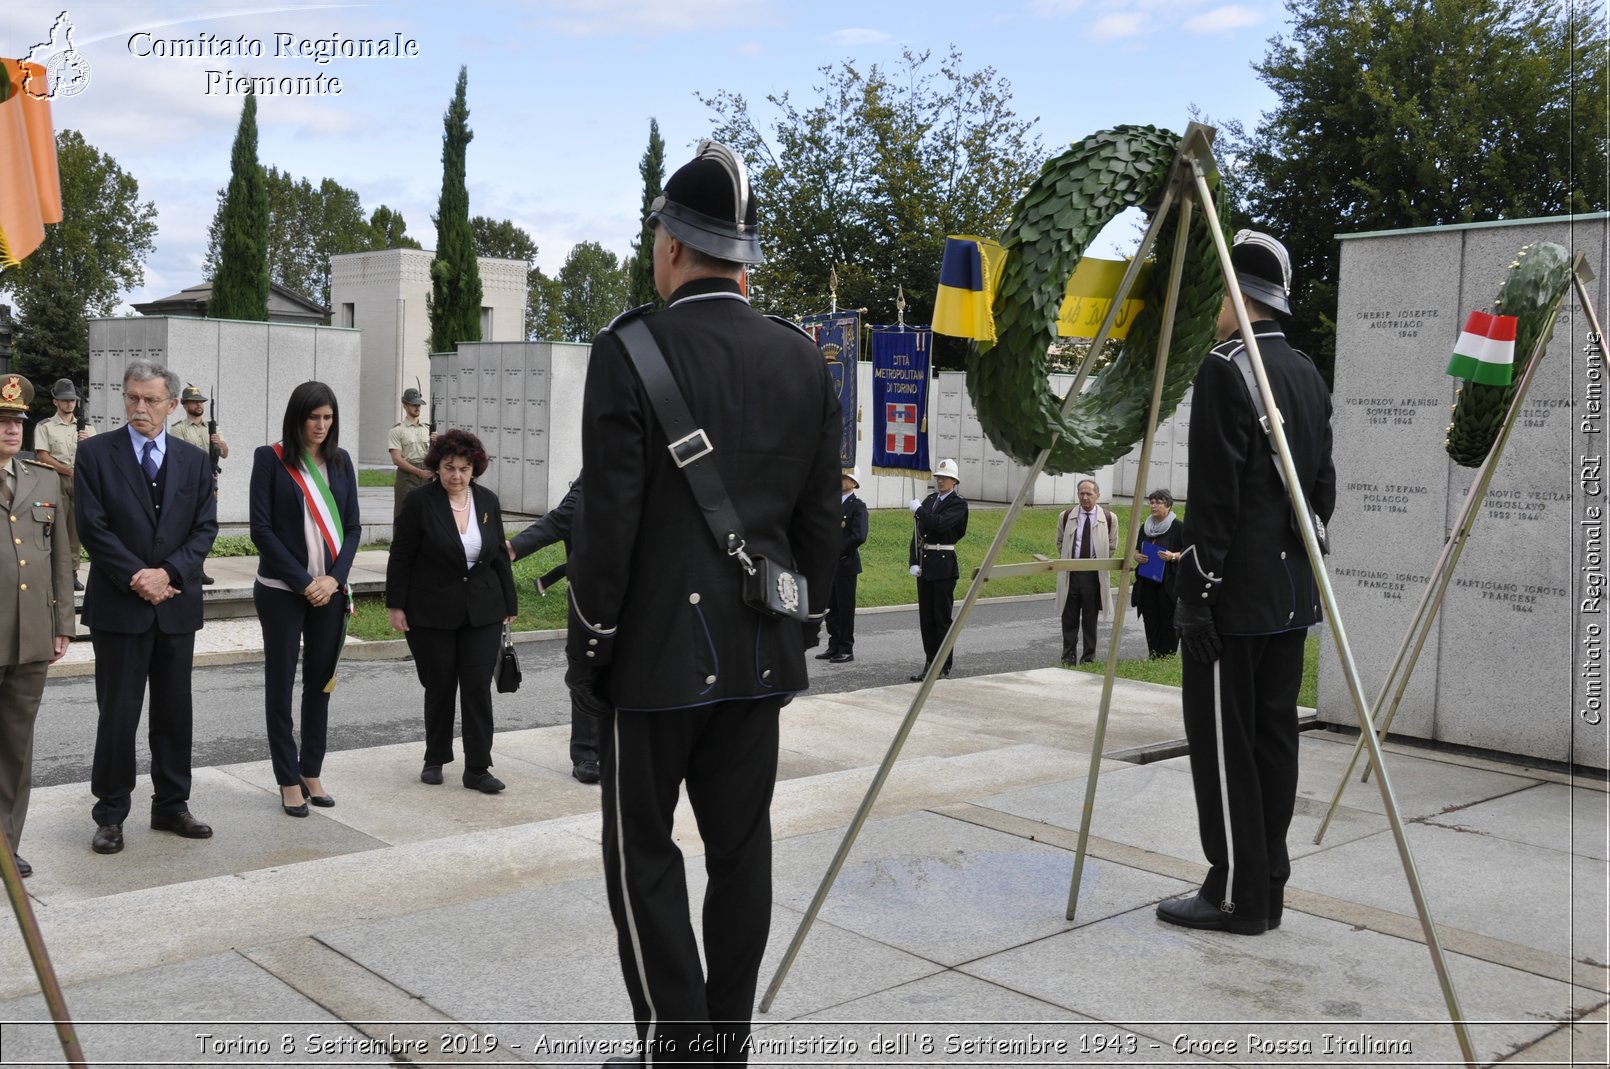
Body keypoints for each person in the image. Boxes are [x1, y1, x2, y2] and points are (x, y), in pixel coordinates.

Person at [565, 140, 839, 1062]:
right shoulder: (803, 359)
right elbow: (820, 527)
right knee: (741, 852)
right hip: (761, 651)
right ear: (743, 253)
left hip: (651, 659)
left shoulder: (631, 347)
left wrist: (589, 648)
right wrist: (798, 616)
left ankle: (675, 1047)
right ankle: (726, 1045)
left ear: (672, 245)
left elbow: (607, 526)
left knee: (643, 858)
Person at [1157, 230, 1335, 936]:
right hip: (1291, 595)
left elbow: (1216, 499)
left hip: (1233, 597)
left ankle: (1234, 891)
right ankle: (1270, 884)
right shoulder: (1307, 372)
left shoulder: (1227, 369)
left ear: (1240, 296)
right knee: (1273, 741)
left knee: (1228, 747)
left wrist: (1196, 595)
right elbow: (1321, 490)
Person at [75, 359, 219, 855]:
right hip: (120, 606)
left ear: (172, 405)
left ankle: (172, 806)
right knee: (118, 713)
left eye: (151, 399)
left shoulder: (194, 460)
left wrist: (169, 574)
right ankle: (111, 813)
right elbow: (92, 526)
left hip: (176, 605)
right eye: (132, 397)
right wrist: (139, 576)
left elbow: (204, 528)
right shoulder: (95, 454)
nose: (140, 407)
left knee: (175, 712)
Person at [250, 382, 360, 817]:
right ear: (297, 418)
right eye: (313, 417)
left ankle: (310, 768)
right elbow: (262, 529)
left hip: (329, 593)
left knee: (321, 682)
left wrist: (333, 580)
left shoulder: (341, 461)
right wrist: (304, 582)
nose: (320, 425)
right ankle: (286, 777)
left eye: (327, 417)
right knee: (280, 684)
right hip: (282, 592)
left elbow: (352, 528)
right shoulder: (271, 459)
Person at [387, 428, 517, 793]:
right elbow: (402, 555)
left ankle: (478, 767)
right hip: (431, 611)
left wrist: (510, 603)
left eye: (463, 468)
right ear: (437, 467)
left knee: (477, 688)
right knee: (440, 684)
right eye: (449, 467)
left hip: (483, 611)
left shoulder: (488, 501)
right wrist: (396, 605)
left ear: (475, 468)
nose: (456, 475)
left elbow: (497, 558)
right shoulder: (420, 503)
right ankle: (435, 756)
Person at [0, 375, 74, 878]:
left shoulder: (41, 478)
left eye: (16, 422)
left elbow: (61, 556)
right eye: (2, 422)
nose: (11, 430)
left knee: (16, 746)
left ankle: (7, 844)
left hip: (30, 633)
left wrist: (62, 622)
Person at [506, 473, 599, 783]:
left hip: (642, 593)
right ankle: (586, 753)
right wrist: (514, 548)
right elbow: (562, 518)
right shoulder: (597, 472)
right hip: (592, 593)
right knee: (585, 671)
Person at [31, 377, 93, 591]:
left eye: (73, 400)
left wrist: (87, 444)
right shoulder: (45, 427)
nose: (69, 404)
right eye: (65, 400)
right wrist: (68, 470)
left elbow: (96, 458)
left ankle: (72, 573)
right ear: (55, 401)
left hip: (80, 482)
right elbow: (42, 456)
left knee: (75, 529)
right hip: (55, 480)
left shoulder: (88, 428)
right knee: (53, 528)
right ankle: (52, 571)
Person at [908, 458, 968, 681]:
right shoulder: (930, 499)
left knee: (941, 618)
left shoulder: (958, 504)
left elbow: (940, 523)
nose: (940, 481)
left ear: (954, 481)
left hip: (943, 563)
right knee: (927, 619)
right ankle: (929, 662)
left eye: (945, 478)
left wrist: (920, 510)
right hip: (925, 563)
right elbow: (917, 533)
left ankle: (943, 665)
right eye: (939, 477)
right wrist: (913, 560)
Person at [171, 385, 230, 585]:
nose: (199, 405)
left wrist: (219, 443)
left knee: (206, 524)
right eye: (195, 402)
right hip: (187, 483)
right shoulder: (178, 428)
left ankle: (200, 566)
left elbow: (225, 453)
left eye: (201, 402)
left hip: (210, 481)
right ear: (185, 405)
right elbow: (176, 457)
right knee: (187, 525)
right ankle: (187, 566)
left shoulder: (213, 427)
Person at [1056, 478, 1118, 666]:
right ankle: (1068, 657)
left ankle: (1088, 658)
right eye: (1081, 493)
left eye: (1089, 494)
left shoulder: (1109, 518)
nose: (1085, 498)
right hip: (1071, 573)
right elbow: (1060, 543)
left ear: (1097, 495)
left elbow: (1112, 546)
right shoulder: (1066, 516)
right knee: (1069, 619)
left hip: (1093, 575)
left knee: (1090, 619)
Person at [816, 467, 868, 664]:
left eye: (846, 478)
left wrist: (837, 550)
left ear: (854, 483)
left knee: (845, 608)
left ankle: (846, 648)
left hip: (846, 563)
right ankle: (834, 645)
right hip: (829, 565)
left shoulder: (857, 507)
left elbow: (859, 536)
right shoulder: (832, 503)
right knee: (831, 608)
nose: (841, 480)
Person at [1130, 488, 1184, 658]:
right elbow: (1137, 548)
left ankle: (1167, 656)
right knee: (1151, 620)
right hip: (1147, 583)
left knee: (1168, 621)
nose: (1153, 506)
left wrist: (1173, 556)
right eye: (1151, 502)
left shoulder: (1178, 527)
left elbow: (1189, 552)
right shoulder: (1145, 527)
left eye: (1158, 502)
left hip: (1168, 585)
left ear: (1168, 505)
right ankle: (1153, 654)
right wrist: (1136, 556)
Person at [388, 387, 434, 518]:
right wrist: (419, 472)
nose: (417, 407)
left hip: (427, 473)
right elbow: (396, 459)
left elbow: (435, 454)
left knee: (427, 513)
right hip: (407, 475)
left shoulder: (427, 429)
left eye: (419, 404)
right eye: (414, 404)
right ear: (405, 406)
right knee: (404, 513)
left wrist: (436, 442)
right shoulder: (397, 430)